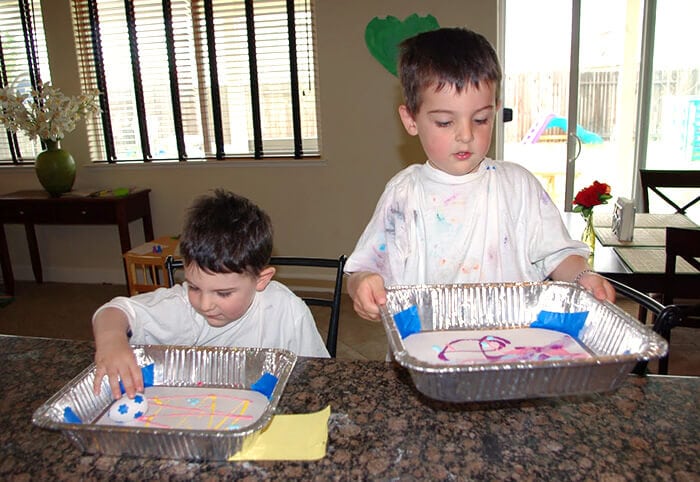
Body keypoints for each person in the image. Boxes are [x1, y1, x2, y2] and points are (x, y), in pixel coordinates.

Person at [345, 27, 615, 321]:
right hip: (427, 351)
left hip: (512, 347)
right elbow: (365, 268)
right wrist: (363, 284)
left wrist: (583, 276)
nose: (466, 134)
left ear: (495, 110)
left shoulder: (518, 186)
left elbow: (559, 255)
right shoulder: (403, 194)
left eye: (481, 119)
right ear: (411, 119)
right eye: (445, 122)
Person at [93, 189, 329, 398]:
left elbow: (318, 375)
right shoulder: (184, 307)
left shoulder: (288, 311)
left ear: (261, 279)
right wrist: (111, 342)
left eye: (223, 293)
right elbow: (116, 311)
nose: (204, 304)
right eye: (194, 286)